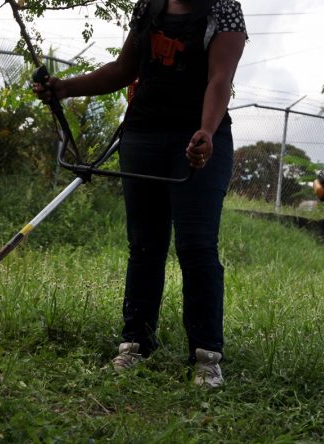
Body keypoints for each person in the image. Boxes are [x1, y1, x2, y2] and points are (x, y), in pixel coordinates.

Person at [33, 0, 246, 387]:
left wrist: (207, 133)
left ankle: (206, 357)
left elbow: (220, 79)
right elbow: (123, 69)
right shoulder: (149, 7)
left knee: (196, 247)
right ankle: (135, 344)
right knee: (145, 245)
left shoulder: (224, 9)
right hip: (143, 134)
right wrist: (64, 88)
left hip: (199, 138)